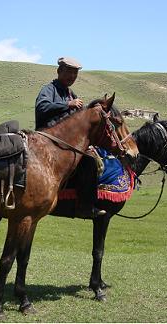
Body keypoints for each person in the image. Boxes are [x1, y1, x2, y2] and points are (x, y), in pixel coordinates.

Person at [35, 57, 106, 218]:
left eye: (75, 73)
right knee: (88, 164)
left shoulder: (71, 94)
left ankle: (76, 203)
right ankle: (85, 207)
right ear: (59, 71)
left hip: (67, 145)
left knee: (91, 160)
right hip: (47, 141)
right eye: (69, 72)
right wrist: (67, 105)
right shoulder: (49, 89)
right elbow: (42, 107)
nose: (72, 76)